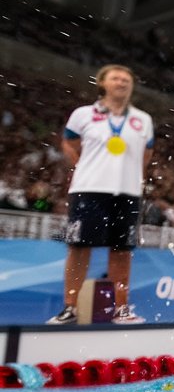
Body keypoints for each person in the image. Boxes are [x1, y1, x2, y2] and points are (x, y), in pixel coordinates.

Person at [47, 64, 153, 324]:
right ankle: (69, 307)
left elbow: (146, 154)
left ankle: (121, 309)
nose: (122, 82)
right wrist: (83, 165)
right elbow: (68, 142)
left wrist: (131, 175)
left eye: (127, 79)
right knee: (79, 247)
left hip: (127, 192)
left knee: (122, 250)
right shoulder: (82, 114)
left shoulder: (143, 120)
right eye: (116, 78)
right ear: (102, 83)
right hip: (89, 189)